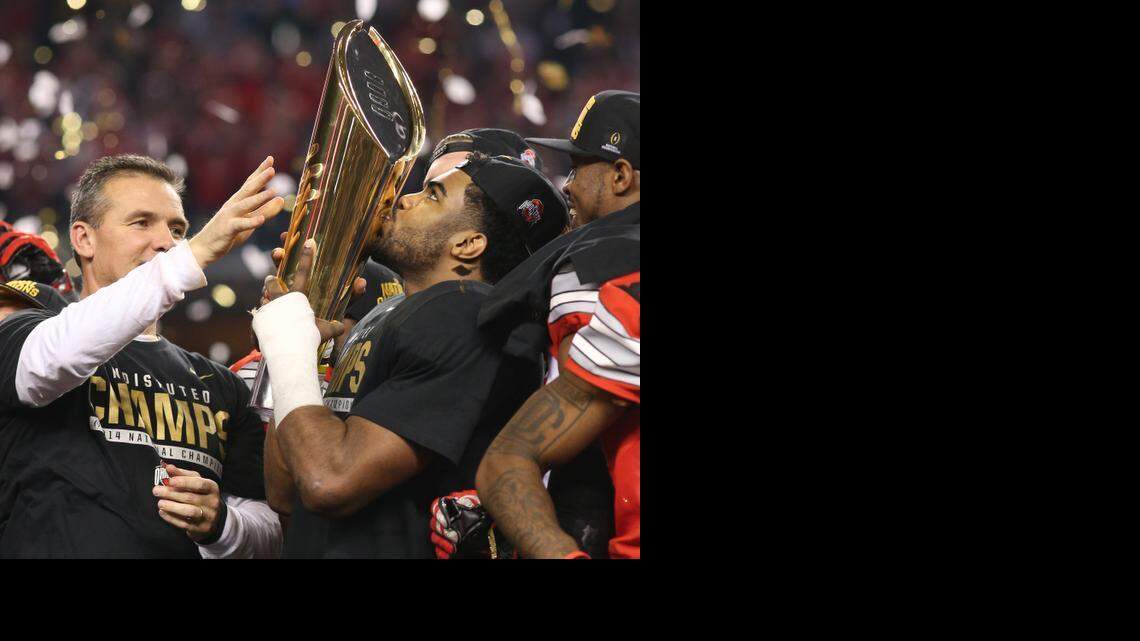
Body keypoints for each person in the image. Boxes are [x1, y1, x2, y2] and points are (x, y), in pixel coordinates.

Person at [254, 152, 567, 558]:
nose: (404, 200)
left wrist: (289, 341)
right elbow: (284, 491)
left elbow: (327, 481)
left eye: (432, 196)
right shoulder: (389, 314)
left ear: (468, 244)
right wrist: (304, 340)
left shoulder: (466, 312)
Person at [0, 153, 284, 558]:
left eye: (178, 229)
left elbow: (273, 527)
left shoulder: (218, 384)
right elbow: (51, 360)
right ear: (84, 239)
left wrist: (223, 524)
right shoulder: (28, 330)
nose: (167, 242)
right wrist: (193, 254)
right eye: (141, 222)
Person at [475, 90, 641, 559]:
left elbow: (510, 462)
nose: (566, 186)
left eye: (576, 168)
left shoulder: (611, 272)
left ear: (621, 175)